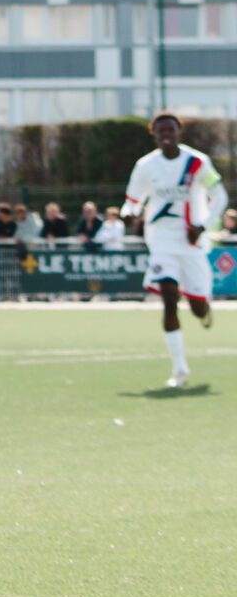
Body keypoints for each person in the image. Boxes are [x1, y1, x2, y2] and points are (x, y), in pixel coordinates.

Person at [120, 111, 227, 389]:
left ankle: (204, 310)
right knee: (169, 298)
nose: (166, 134)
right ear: (153, 134)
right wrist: (128, 215)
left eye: (171, 129)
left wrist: (202, 225)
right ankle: (179, 369)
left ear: (180, 132)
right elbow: (131, 202)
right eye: (160, 131)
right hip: (162, 242)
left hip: (192, 244)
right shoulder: (145, 166)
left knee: (196, 307)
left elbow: (220, 197)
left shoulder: (197, 162)